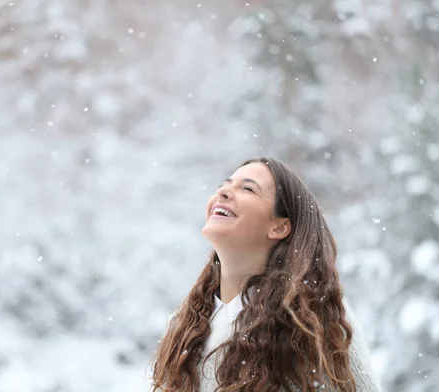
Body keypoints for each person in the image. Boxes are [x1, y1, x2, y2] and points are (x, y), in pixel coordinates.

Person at [150, 157, 382, 392]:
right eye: (224, 184)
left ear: (279, 227)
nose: (224, 192)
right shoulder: (185, 326)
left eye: (248, 188)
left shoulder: (310, 315)